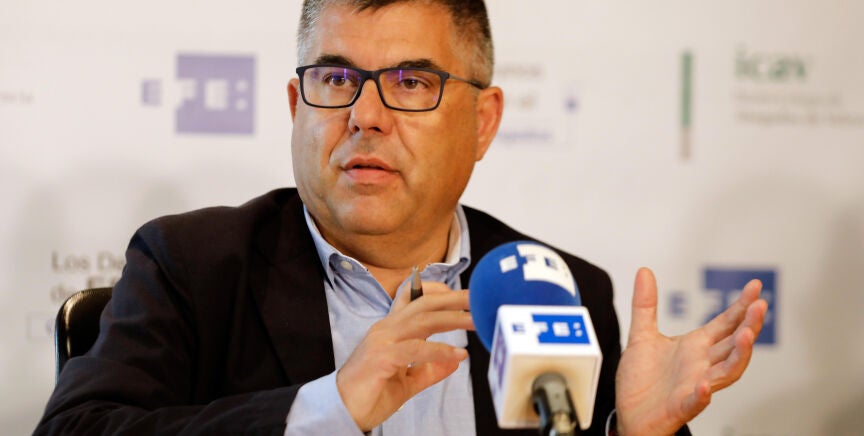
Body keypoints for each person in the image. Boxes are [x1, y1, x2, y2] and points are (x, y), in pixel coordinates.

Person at [36, 0, 768, 435]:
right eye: (335, 78)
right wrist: (329, 409)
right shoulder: (193, 266)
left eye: (411, 82)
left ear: (483, 122)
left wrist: (634, 434)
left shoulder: (556, 290)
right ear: (296, 107)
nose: (365, 116)